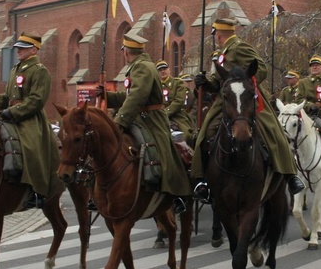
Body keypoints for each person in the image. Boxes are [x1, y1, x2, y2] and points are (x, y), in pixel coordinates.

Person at [192, 16, 305, 202]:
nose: (216, 38)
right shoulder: (222, 52)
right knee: (204, 135)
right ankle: (201, 180)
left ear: (219, 34)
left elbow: (260, 68)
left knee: (272, 130)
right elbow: (219, 81)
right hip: (225, 101)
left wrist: (243, 84)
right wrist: (206, 83)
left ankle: (289, 175)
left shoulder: (239, 47)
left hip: (246, 98)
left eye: (216, 34)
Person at [99, 34, 191, 214]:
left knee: (159, 148)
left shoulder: (142, 67)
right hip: (139, 117)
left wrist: (120, 121)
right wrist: (105, 96)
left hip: (151, 119)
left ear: (126, 51)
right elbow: (129, 96)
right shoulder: (137, 66)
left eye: (123, 50)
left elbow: (138, 96)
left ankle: (175, 190)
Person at [0, 32, 63, 208]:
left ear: (34, 50)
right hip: (10, 114)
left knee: (30, 146)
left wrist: (14, 112)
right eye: (17, 48)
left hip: (30, 119)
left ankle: (37, 191)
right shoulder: (15, 70)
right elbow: (6, 98)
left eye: (22, 48)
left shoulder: (40, 71)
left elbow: (37, 100)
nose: (18, 51)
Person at [157, 60, 196, 144]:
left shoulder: (178, 83)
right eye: (160, 70)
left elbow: (179, 101)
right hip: (158, 115)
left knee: (186, 136)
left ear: (169, 70)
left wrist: (166, 112)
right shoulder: (155, 86)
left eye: (164, 69)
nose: (163, 71)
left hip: (176, 116)